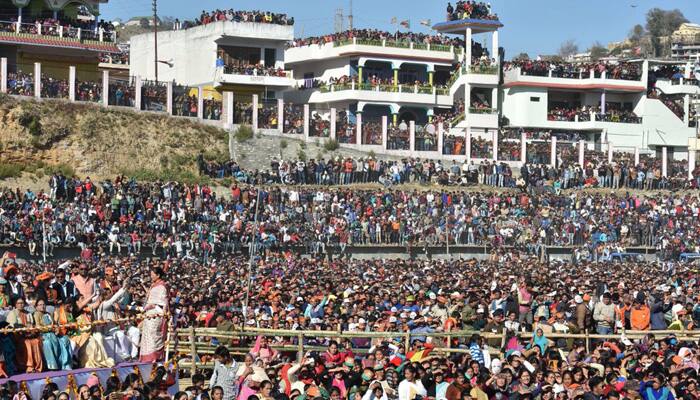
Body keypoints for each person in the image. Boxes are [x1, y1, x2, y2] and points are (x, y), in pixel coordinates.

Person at [6, 297, 43, 373]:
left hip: (28, 335)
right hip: (18, 336)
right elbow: (12, 326)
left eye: (22, 303)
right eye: (19, 303)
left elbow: (31, 324)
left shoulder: (27, 313)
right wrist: (23, 329)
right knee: (27, 343)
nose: (21, 305)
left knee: (36, 341)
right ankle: (28, 367)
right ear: (15, 304)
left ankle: (36, 366)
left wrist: (31, 331)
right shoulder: (12, 313)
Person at [139, 267, 169, 362]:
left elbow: (162, 302)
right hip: (148, 314)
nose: (151, 276)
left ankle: (155, 357)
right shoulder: (153, 285)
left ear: (158, 275)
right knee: (147, 335)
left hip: (157, 313)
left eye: (152, 274)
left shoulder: (163, 286)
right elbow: (149, 299)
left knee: (154, 334)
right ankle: (146, 358)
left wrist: (151, 306)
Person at [33, 298, 72, 370]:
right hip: (43, 335)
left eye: (44, 304)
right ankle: (52, 365)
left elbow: (54, 324)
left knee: (65, 339)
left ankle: (64, 363)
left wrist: (56, 329)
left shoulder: (48, 314)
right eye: (40, 305)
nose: (42, 306)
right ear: (36, 307)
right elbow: (38, 327)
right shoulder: (36, 314)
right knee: (47, 343)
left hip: (53, 333)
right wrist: (50, 328)